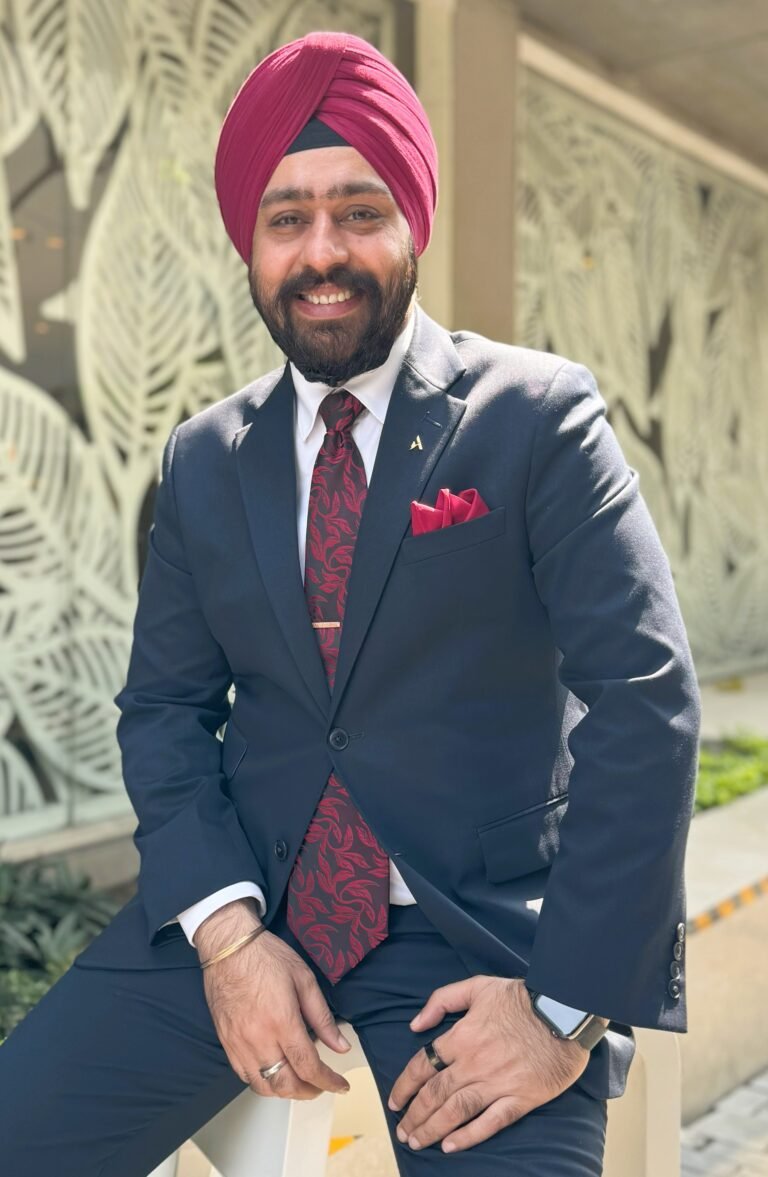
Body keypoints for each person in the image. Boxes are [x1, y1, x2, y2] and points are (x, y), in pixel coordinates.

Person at [0, 31, 700, 1177]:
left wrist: (562, 1008)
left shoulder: (536, 418)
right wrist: (227, 934)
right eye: (287, 218)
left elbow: (645, 702)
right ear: (250, 241)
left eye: (359, 210)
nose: (322, 251)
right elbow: (164, 711)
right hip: (250, 912)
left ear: (412, 220)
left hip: (479, 944)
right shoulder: (202, 459)